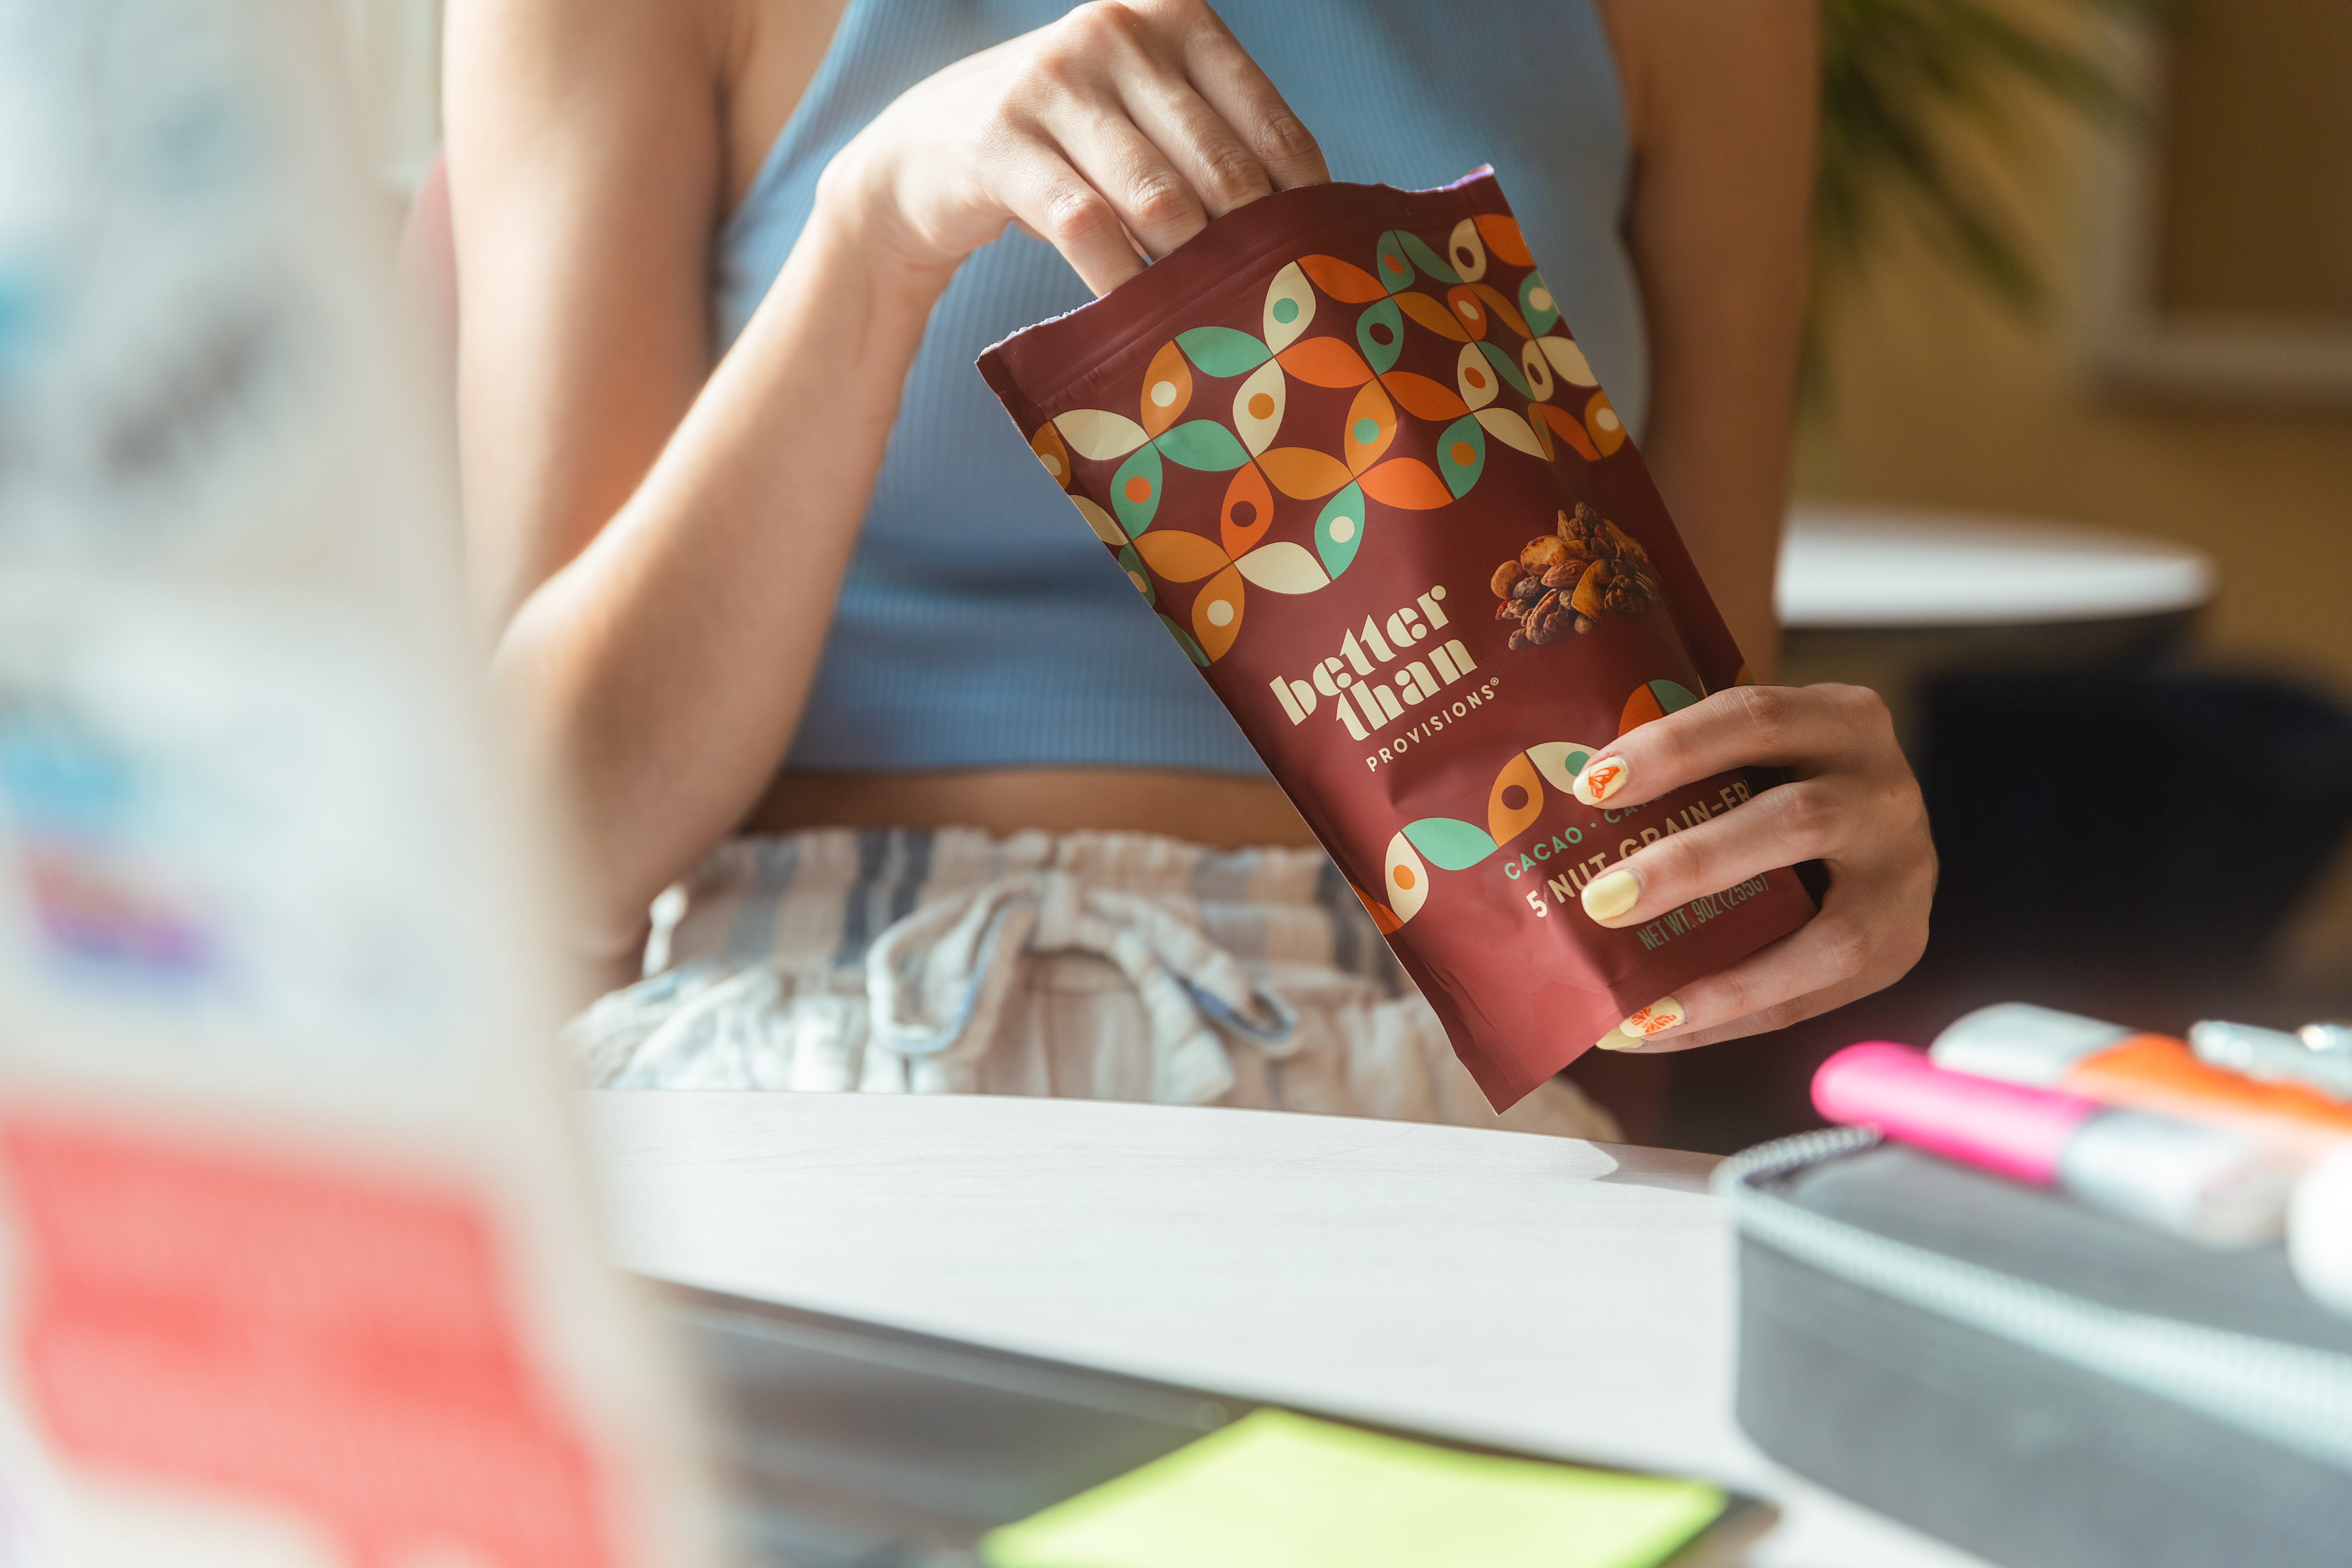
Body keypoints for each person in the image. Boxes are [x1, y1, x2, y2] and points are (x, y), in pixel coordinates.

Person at [443, 0, 1933, 1134]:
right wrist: (874, 225)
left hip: (1421, 1092)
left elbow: (1675, 815)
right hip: (808, 1049)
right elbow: (553, 840)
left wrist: (1802, 858)